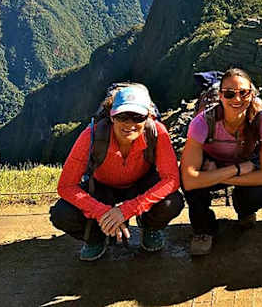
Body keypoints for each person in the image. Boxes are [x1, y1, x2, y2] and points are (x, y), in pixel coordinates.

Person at [50, 85, 184, 261]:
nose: (129, 124)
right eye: (122, 116)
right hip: (102, 187)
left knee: (172, 202)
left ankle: (150, 227)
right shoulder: (92, 135)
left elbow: (171, 179)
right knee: (62, 214)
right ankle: (96, 237)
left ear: (148, 117)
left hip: (140, 183)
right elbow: (66, 186)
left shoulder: (157, 133)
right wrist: (102, 212)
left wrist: (128, 210)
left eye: (138, 117)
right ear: (112, 116)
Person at [180, 68, 262, 255]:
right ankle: (203, 229)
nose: (237, 99)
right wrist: (237, 169)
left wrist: (212, 177)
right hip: (225, 163)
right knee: (192, 189)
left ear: (252, 94)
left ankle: (244, 209)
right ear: (220, 96)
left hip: (239, 164)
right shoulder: (202, 123)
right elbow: (189, 180)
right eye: (229, 94)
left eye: (243, 93)